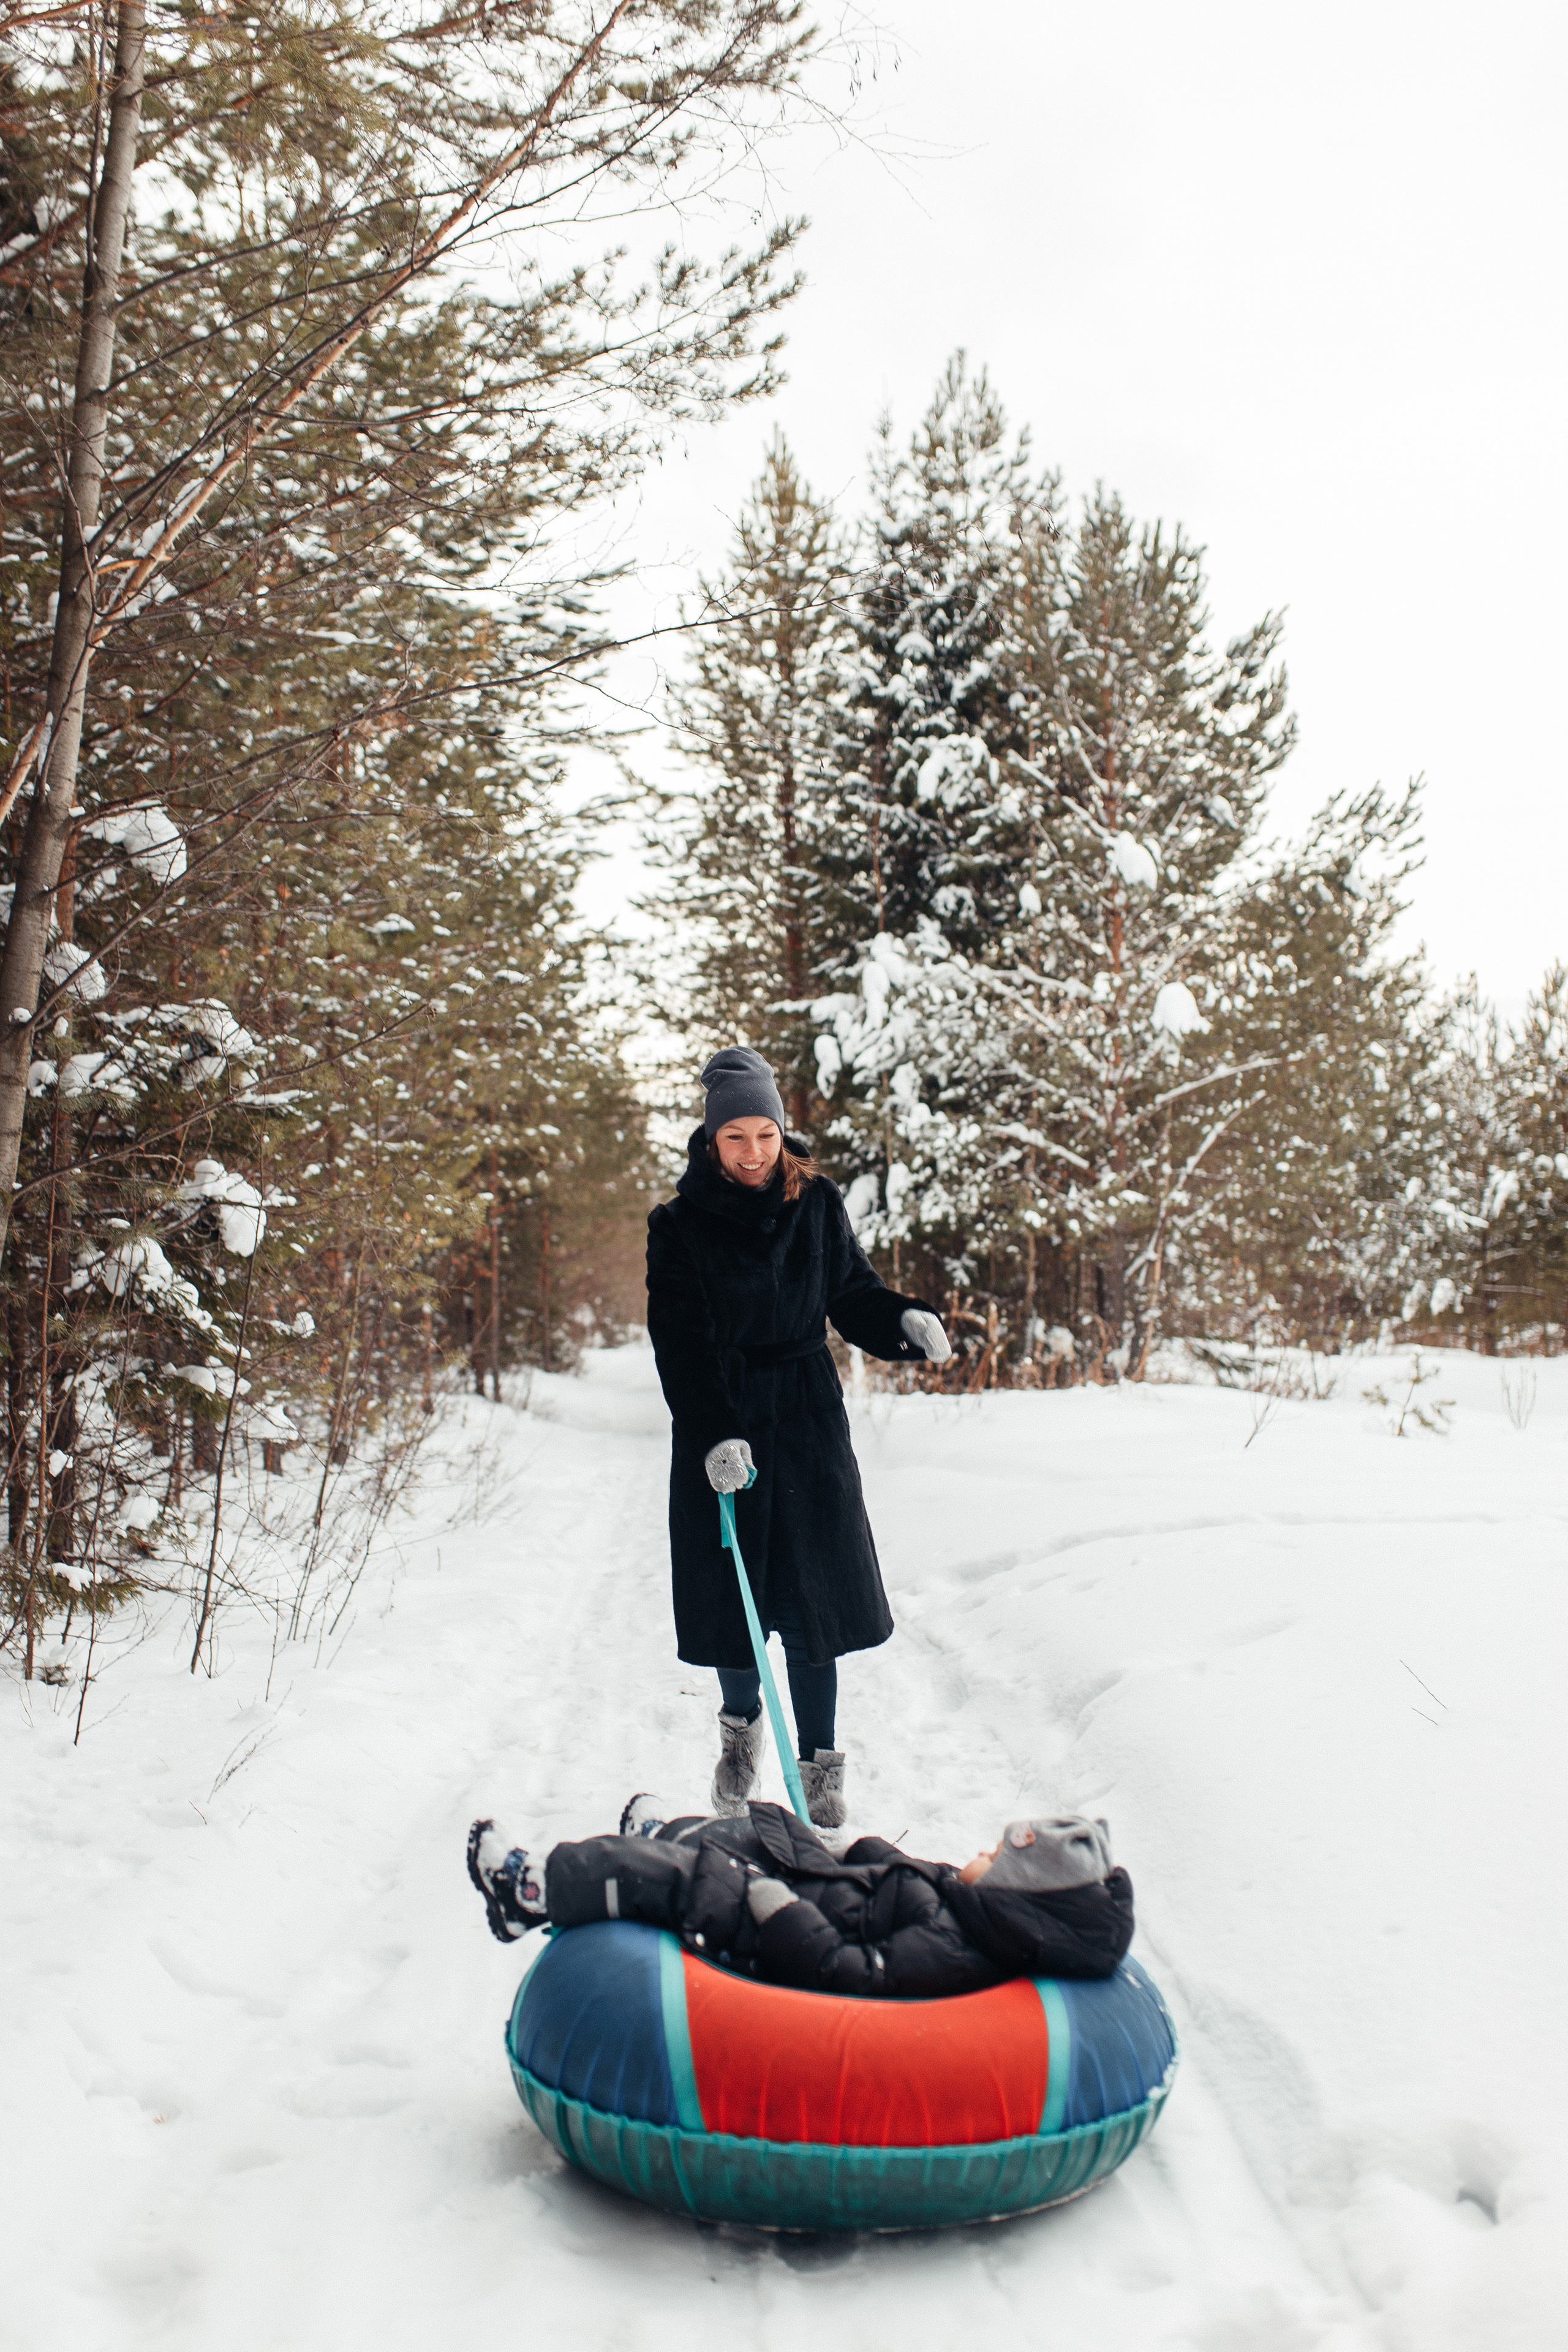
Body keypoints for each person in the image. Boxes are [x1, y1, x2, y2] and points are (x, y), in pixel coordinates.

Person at [646, 1045, 952, 1831]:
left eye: (765, 1135)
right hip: (725, 1425)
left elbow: (853, 1295)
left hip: (809, 1420)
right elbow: (680, 1340)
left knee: (816, 1599)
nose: (752, 1152)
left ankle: (819, 1763)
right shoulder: (677, 1226)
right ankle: (740, 1732)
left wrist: (903, 1323)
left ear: (784, 1132)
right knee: (735, 1599)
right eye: (735, 1137)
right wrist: (715, 1433)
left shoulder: (817, 1204)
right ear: (711, 1141)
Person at [467, 1800, 1134, 1999]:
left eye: (996, 1858)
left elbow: (848, 1974)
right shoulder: (968, 1909)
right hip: (826, 1892)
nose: (980, 1854)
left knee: (687, 1876)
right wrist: (867, 1853)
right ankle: (666, 1830)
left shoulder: (954, 1949)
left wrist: (778, 1913)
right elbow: (902, 1877)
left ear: (1015, 1897)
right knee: (759, 1831)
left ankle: (530, 1890)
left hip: (775, 1929)